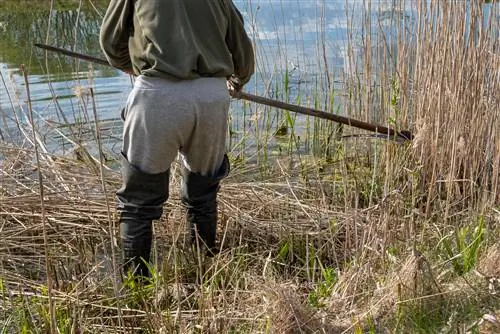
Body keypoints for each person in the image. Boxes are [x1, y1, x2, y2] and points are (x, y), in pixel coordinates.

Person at [99, 0, 255, 279]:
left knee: (138, 202)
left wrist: (134, 67)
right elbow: (242, 54)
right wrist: (236, 82)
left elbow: (110, 41)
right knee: (203, 194)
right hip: (211, 97)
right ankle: (204, 270)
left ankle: (137, 290)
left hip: (157, 92)